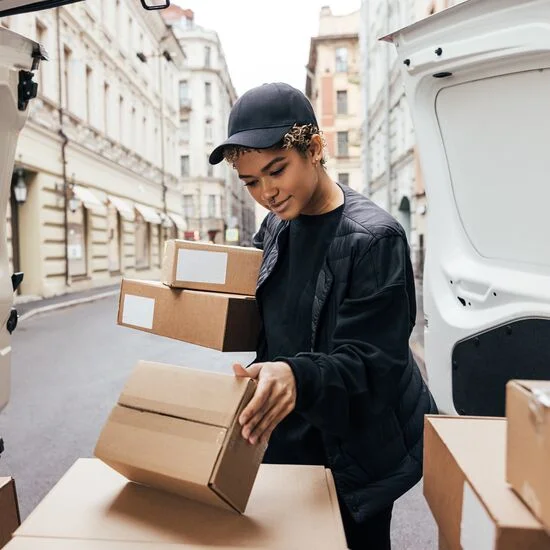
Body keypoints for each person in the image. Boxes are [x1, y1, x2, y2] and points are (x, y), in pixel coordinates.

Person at [209, 82, 437, 550]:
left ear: (314, 149)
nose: (267, 193)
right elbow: (268, 312)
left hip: (355, 448)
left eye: (276, 171)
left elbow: (372, 365)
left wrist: (295, 375)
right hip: (289, 433)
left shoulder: (375, 238)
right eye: (251, 182)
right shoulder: (276, 225)